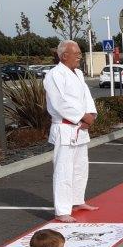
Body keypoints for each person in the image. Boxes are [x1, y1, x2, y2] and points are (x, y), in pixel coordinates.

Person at [44, 40, 99, 223]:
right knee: (63, 170)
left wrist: (91, 115)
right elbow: (59, 102)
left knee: (80, 167)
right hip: (65, 127)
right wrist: (82, 116)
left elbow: (87, 97)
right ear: (64, 55)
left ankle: (77, 200)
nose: (79, 57)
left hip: (81, 127)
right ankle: (61, 210)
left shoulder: (79, 74)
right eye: (76, 54)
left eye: (80, 54)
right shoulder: (54, 75)